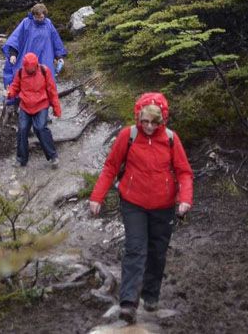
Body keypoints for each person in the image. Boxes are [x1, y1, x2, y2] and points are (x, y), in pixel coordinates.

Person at [88, 92, 193, 324]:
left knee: (157, 251)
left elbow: (184, 172)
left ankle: (151, 294)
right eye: (144, 121)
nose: (148, 126)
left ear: (162, 120)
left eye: (154, 122)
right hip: (133, 203)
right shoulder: (129, 135)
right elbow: (111, 167)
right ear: (138, 117)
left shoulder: (171, 139)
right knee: (135, 248)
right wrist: (97, 197)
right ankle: (128, 303)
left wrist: (184, 199)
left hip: (163, 206)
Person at [6, 52, 61, 168]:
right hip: (25, 106)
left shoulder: (44, 71)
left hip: (41, 104)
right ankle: (21, 159)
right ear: (24, 66)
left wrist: (56, 107)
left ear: (36, 65)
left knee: (40, 128)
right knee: (22, 129)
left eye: (32, 69)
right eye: (28, 69)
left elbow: (52, 91)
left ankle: (53, 156)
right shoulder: (20, 73)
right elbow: (15, 87)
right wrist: (10, 93)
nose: (30, 71)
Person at [2, 3, 67, 89]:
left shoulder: (48, 24)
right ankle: (24, 97)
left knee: (45, 77)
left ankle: (44, 98)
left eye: (42, 17)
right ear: (33, 15)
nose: (40, 19)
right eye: (38, 17)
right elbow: (16, 38)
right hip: (28, 57)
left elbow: (55, 40)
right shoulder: (26, 23)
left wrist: (59, 57)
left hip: (45, 57)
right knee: (25, 76)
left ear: (45, 14)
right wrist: (13, 54)